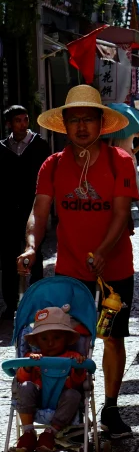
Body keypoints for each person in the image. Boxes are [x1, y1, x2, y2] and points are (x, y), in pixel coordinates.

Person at [16, 85, 137, 438]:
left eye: (88, 119)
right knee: (70, 340)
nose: (81, 126)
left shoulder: (120, 161)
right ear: (64, 125)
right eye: (74, 120)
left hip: (114, 269)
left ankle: (111, 408)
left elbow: (119, 213)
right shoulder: (52, 166)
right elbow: (38, 213)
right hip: (69, 271)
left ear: (102, 123)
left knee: (113, 337)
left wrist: (102, 251)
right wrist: (30, 246)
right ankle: (71, 408)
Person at [12, 304, 88, 452]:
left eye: (57, 337)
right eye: (44, 338)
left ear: (66, 339)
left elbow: (77, 383)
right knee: (25, 386)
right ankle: (28, 432)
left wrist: (79, 368)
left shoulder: (72, 357)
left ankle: (50, 433)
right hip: (36, 400)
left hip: (62, 400)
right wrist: (28, 366)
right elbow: (20, 378)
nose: (50, 343)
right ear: (37, 341)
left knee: (74, 394)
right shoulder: (32, 358)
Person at [0, 105, 50, 318]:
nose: (23, 124)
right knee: (8, 255)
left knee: (35, 252)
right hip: (8, 210)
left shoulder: (39, 145)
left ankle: (37, 300)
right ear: (9, 124)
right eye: (18, 120)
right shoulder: (2, 148)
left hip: (34, 206)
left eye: (25, 119)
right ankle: (11, 304)